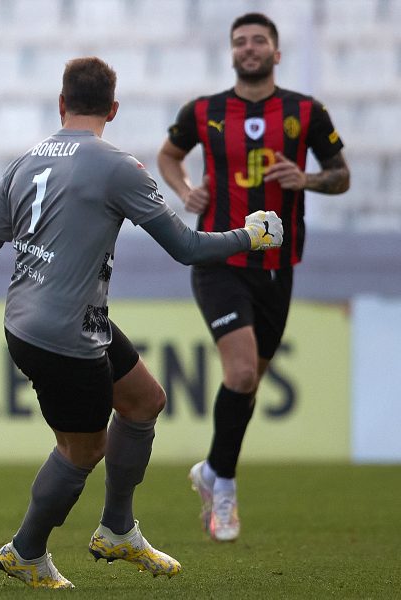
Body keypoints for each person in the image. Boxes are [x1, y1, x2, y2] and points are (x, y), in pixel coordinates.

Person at [0, 56, 284, 589]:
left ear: (61, 104)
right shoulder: (117, 166)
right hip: (61, 334)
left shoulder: (26, 162)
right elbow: (188, 248)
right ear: (114, 109)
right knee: (83, 450)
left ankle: (118, 529)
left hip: (45, 320)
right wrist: (252, 234)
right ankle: (26, 550)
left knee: (144, 400)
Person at [156, 12, 350, 543]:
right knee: (241, 374)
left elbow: (341, 175)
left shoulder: (306, 112)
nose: (248, 48)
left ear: (276, 52)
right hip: (219, 260)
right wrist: (185, 188)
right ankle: (225, 492)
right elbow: (168, 156)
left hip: (278, 269)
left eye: (258, 40)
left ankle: (211, 470)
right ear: (232, 52)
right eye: (240, 41)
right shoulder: (204, 111)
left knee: (247, 384)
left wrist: (306, 177)